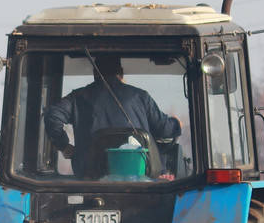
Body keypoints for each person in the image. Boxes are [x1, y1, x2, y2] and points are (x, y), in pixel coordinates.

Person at [42, 54, 182, 177]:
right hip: (136, 175)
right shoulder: (140, 96)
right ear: (121, 73)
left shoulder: (77, 98)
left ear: (94, 73)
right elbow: (164, 130)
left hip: (90, 177)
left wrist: (64, 146)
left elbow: (52, 116)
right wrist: (176, 124)